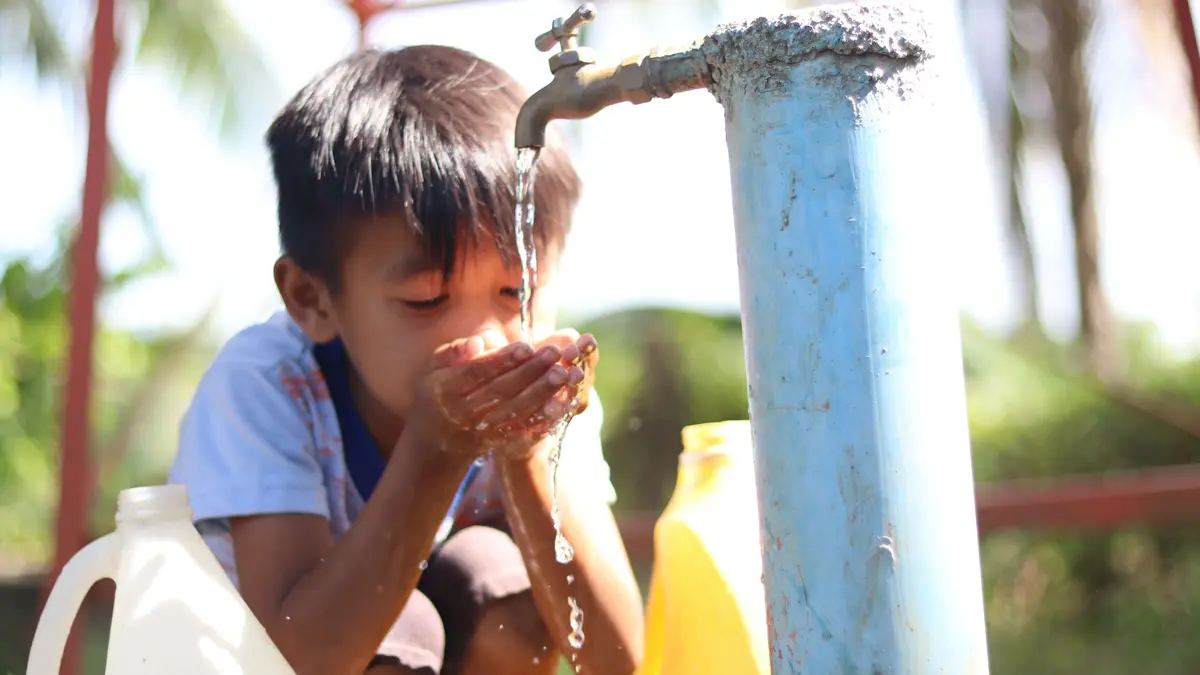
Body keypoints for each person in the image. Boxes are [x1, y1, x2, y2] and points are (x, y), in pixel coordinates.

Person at [168, 45, 643, 675]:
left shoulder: (549, 391)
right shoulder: (265, 386)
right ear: (312, 298)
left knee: (500, 586)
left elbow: (613, 658)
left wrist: (526, 455)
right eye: (426, 300)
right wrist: (437, 447)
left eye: (515, 292)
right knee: (402, 630)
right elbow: (294, 660)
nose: (487, 338)